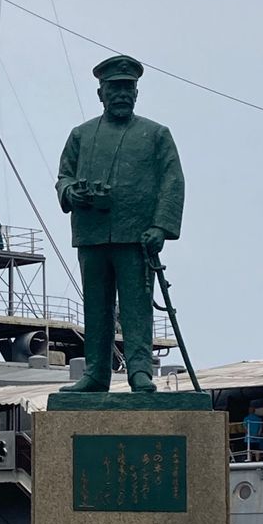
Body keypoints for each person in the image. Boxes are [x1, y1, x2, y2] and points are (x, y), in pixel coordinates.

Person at [55, 54, 184, 393]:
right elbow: (63, 177)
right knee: (95, 308)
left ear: (137, 93)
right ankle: (96, 373)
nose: (122, 94)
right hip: (92, 235)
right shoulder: (81, 135)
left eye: (128, 88)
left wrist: (160, 227)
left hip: (136, 236)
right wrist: (72, 194)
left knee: (136, 307)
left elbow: (173, 180)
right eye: (115, 88)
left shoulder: (155, 134)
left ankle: (140, 371)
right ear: (101, 94)